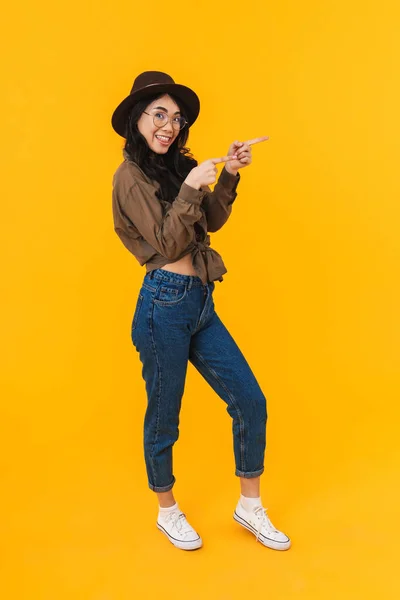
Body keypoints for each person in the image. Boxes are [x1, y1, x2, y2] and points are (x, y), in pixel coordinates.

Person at [111, 71, 291, 551]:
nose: (169, 126)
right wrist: (192, 185)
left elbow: (209, 219)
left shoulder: (173, 168)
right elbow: (168, 242)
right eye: (159, 115)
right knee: (164, 415)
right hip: (162, 306)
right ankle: (167, 510)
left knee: (250, 400)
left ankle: (250, 506)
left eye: (176, 118)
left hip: (200, 303)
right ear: (138, 119)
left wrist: (229, 172)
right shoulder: (128, 177)